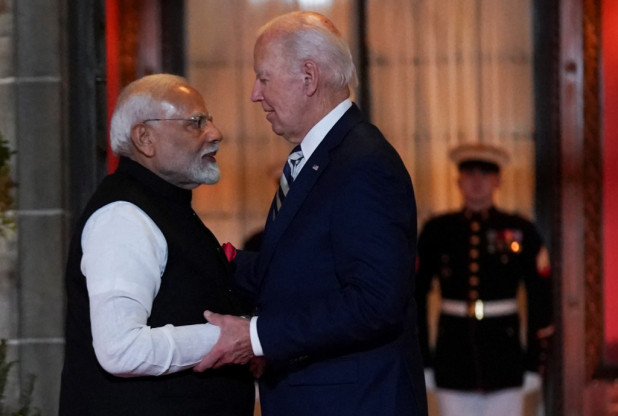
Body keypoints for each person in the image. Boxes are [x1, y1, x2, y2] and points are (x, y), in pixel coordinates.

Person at [194, 11, 428, 416]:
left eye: (263, 78)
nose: (254, 93)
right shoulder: (321, 156)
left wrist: (255, 337)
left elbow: (375, 304)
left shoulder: (363, 163)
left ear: (308, 76)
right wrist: (203, 257)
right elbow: (299, 272)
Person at [58, 74, 254, 415]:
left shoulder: (165, 206)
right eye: (196, 123)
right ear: (144, 138)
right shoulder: (123, 216)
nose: (214, 133)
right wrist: (227, 338)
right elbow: (121, 349)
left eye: (209, 120)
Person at [414, 143, 554, 416]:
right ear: (458, 181)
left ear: (498, 181)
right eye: (469, 175)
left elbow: (541, 297)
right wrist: (423, 360)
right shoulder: (437, 231)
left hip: (505, 360)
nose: (477, 182)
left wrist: (534, 364)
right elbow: (415, 295)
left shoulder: (520, 230)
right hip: (452, 359)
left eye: (485, 175)